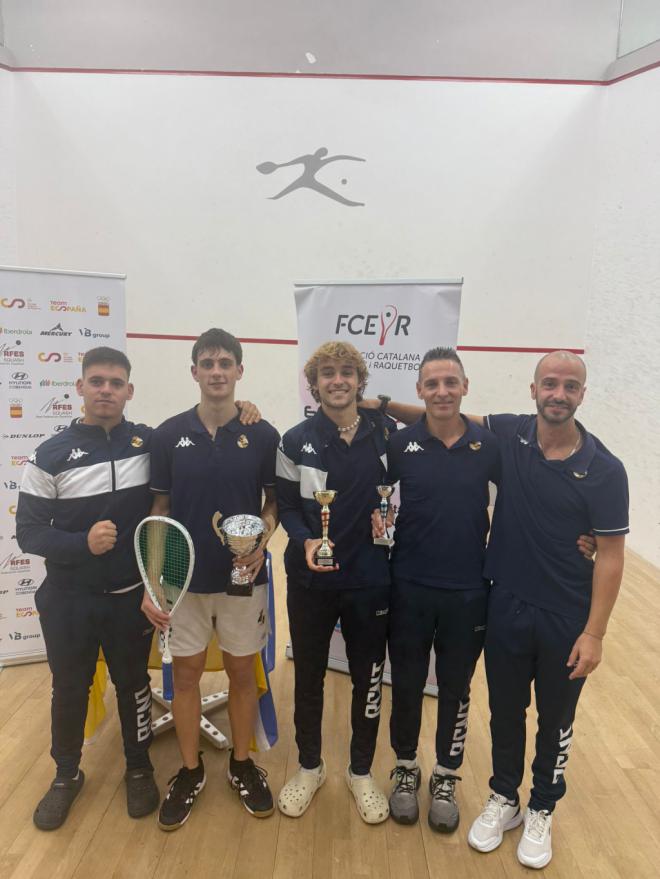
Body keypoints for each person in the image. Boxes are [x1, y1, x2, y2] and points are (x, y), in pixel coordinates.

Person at [466, 350, 628, 869]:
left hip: (566, 617)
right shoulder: (510, 434)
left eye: (570, 386)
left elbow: (611, 557)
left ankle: (541, 808)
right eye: (550, 384)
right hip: (507, 602)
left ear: (582, 395)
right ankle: (504, 798)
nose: (559, 394)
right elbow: (446, 416)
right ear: (533, 389)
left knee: (557, 719)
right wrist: (376, 403)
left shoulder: (604, 469)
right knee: (505, 711)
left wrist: (595, 634)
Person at [141, 328, 279, 831]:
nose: (217, 371)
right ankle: (190, 770)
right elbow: (159, 509)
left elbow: (273, 501)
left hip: (244, 580)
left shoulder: (263, 433)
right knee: (185, 676)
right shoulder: (167, 434)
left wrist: (261, 541)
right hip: (183, 585)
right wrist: (155, 582)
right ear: (194, 371)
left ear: (240, 371)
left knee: (244, 676)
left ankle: (242, 764)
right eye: (208, 363)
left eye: (226, 363)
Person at [16, 347, 159, 830]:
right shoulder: (49, 454)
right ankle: (65, 775)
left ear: (129, 391)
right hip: (69, 600)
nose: (105, 390)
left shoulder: (148, 443)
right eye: (96, 381)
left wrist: (247, 410)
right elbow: (29, 533)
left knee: (134, 684)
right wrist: (83, 543)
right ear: (80, 387)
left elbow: (196, 442)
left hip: (127, 600)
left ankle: (138, 766)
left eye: (115, 383)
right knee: (70, 687)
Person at [372, 348, 500, 833]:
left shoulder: (490, 445)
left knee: (456, 688)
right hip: (408, 585)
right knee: (405, 683)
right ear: (420, 391)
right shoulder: (398, 444)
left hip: (469, 590)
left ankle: (445, 774)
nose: (442, 391)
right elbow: (375, 502)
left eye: (451, 382)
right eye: (432, 384)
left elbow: (529, 495)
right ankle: (406, 768)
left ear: (465, 386)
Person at [275, 341, 396, 824]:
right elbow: (285, 504)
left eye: (347, 372)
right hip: (310, 580)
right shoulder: (294, 439)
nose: (337, 380)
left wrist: (391, 523)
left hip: (370, 579)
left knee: (369, 679)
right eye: (327, 372)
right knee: (308, 675)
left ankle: (361, 770)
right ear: (315, 382)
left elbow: (407, 494)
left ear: (360, 381)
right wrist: (305, 540)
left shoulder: (387, 436)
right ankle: (310, 766)